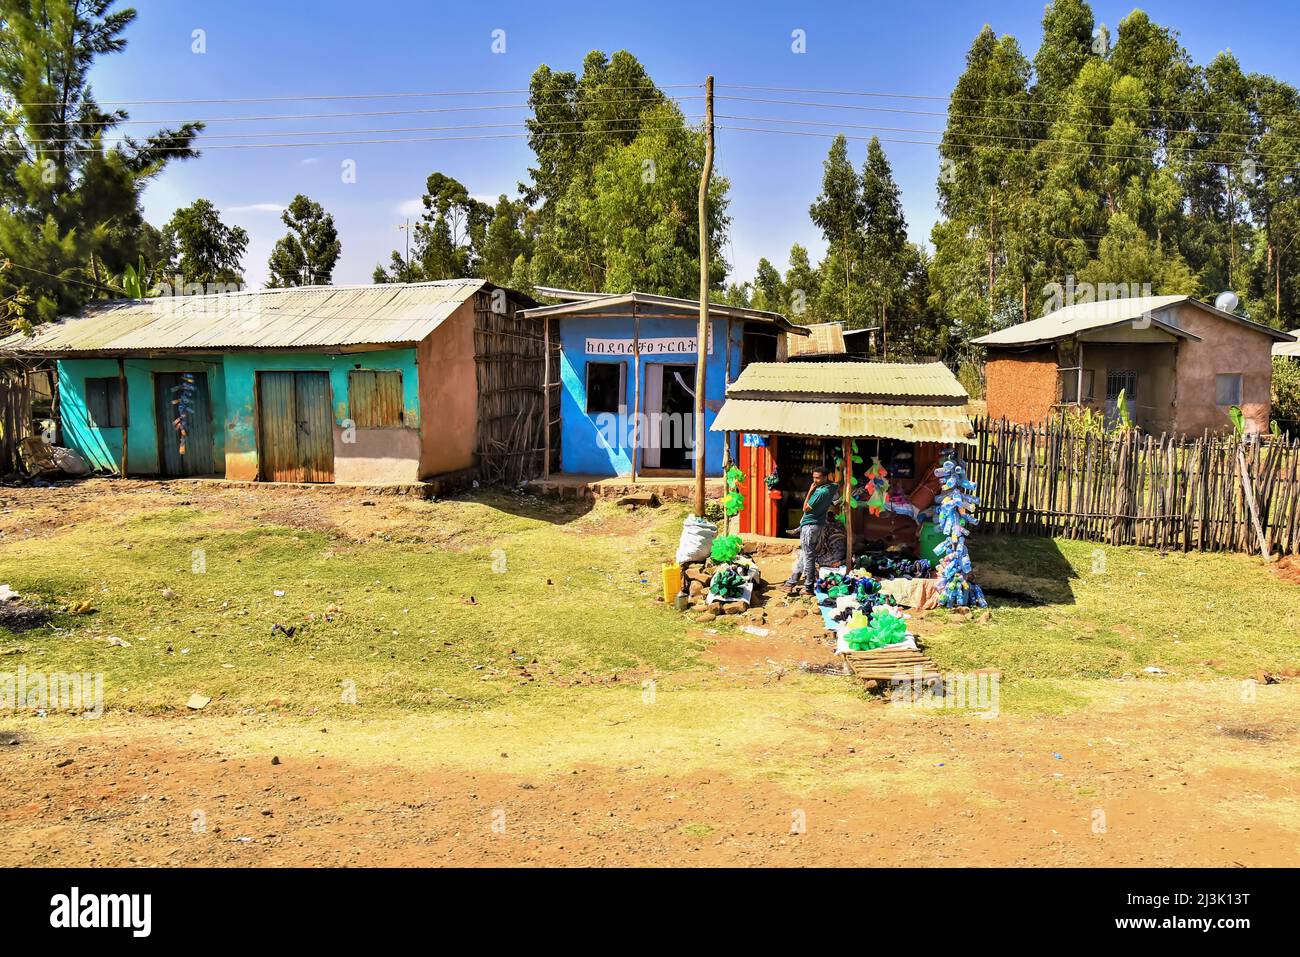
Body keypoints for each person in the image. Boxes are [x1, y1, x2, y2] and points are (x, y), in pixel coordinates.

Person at [784, 468, 837, 594]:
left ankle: (808, 586)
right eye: (813, 477)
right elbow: (836, 486)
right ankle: (792, 580)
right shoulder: (832, 487)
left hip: (810, 527)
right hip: (817, 525)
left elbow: (805, 508)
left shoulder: (820, 493)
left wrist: (810, 491)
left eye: (818, 478)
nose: (815, 480)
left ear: (825, 477)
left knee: (808, 557)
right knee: (805, 554)